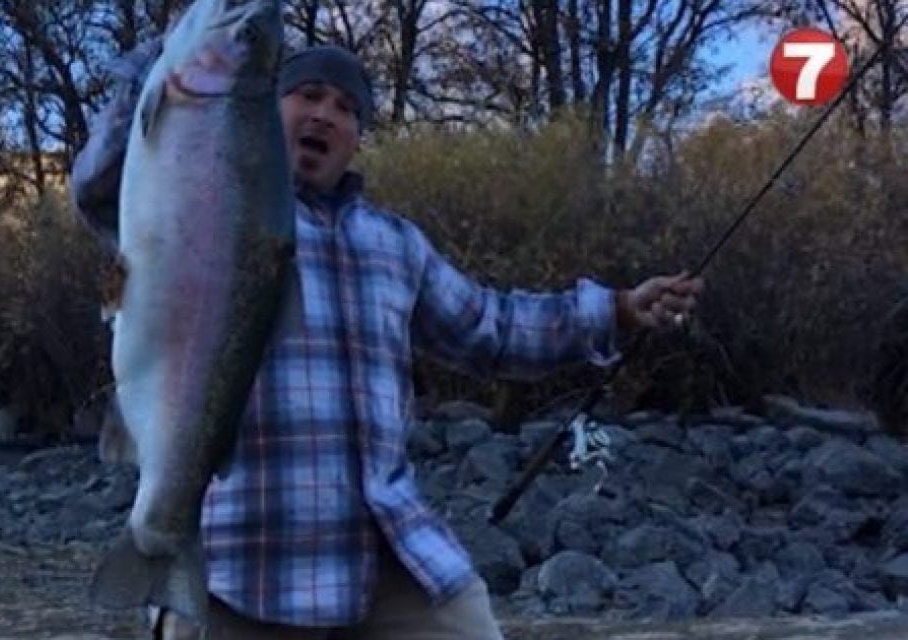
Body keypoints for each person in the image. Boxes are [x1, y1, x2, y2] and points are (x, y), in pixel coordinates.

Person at [70, 42, 705, 640]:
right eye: (308, 95)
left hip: (386, 545)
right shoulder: (207, 204)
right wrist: (167, 58)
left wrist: (617, 310)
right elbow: (102, 188)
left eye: (346, 108)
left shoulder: (396, 243)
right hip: (244, 554)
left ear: (356, 137)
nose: (325, 114)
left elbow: (492, 328)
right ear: (264, 107)